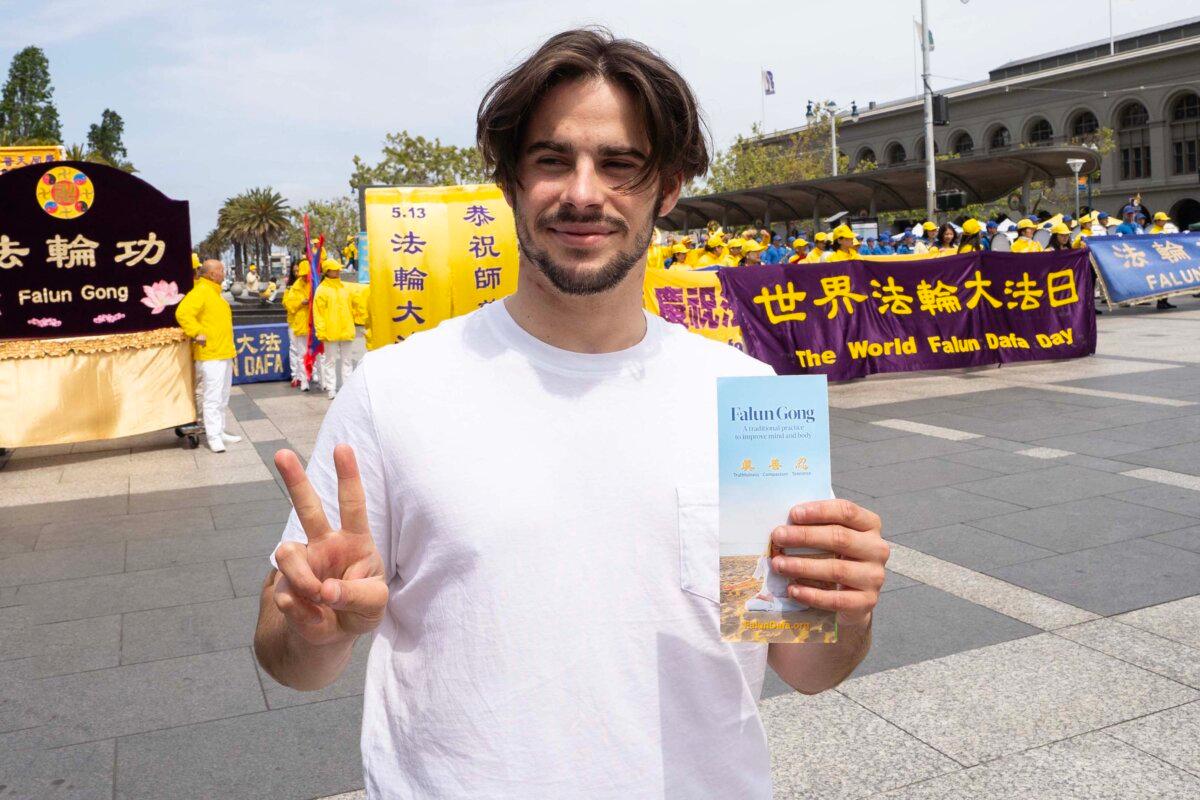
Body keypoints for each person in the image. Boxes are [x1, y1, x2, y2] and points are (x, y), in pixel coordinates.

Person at [254, 29, 886, 800]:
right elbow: (287, 657)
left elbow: (806, 666)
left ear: (670, 186)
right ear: (511, 181)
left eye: (620, 165)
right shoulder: (394, 390)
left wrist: (846, 615)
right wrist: (315, 628)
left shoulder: (746, 394)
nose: (583, 193)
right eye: (552, 160)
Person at [175, 259, 241, 453]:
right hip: (210, 354)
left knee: (222, 397)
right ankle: (213, 437)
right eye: (220, 269)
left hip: (224, 352)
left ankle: (220, 432)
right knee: (212, 398)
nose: (223, 272)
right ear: (212, 274)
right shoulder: (201, 292)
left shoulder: (215, 293)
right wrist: (196, 332)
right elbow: (183, 313)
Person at [313, 258, 357, 400]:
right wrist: (320, 331)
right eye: (334, 269)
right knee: (330, 361)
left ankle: (348, 388)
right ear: (327, 271)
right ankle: (331, 388)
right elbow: (317, 312)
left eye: (338, 269)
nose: (338, 271)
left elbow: (353, 305)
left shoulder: (345, 287)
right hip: (330, 331)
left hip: (346, 328)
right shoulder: (321, 289)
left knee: (347, 361)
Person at [283, 259, 314, 391]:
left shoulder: (314, 284)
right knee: (296, 350)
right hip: (295, 323)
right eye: (295, 271)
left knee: (313, 352)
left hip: (311, 323)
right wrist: (301, 303)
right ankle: (297, 376)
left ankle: (312, 375)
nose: (298, 274)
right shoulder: (292, 287)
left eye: (300, 272)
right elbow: (288, 305)